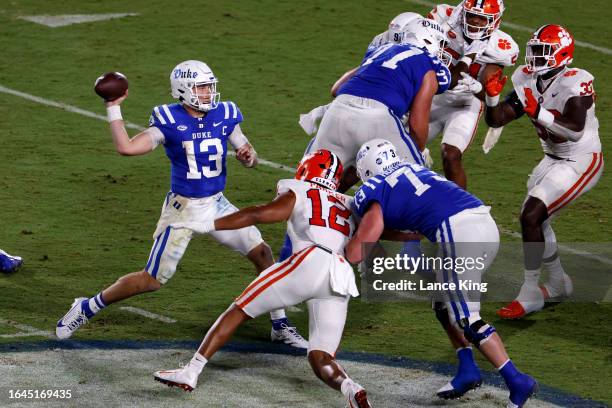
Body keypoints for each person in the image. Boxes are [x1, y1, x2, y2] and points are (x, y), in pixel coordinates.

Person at [56, 60, 307, 348]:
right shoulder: (168, 120)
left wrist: (248, 156)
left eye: (210, 86)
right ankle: (87, 306)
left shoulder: (225, 113)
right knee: (152, 280)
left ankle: (280, 324)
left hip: (217, 204)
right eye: (201, 87)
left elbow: (248, 152)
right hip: (183, 209)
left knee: (262, 254)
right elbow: (126, 148)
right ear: (184, 89)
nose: (209, 93)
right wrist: (113, 106)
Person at [154, 150, 372, 408]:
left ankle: (191, 371)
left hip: (308, 262)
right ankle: (350, 387)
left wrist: (209, 224)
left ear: (306, 169)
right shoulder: (350, 203)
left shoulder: (297, 189)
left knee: (238, 309)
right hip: (340, 277)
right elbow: (378, 233)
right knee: (321, 356)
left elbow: (259, 214)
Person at [346, 139, 538, 407]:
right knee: (441, 299)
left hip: (458, 233)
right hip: (483, 223)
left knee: (468, 319)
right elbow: (405, 228)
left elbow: (361, 247)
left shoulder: (374, 188)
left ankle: (517, 381)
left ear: (366, 170)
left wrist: (349, 243)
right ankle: (467, 368)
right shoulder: (413, 169)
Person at [483, 25, 603, 319]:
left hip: (581, 160)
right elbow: (497, 119)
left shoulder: (576, 82)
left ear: (561, 55)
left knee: (531, 215)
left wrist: (538, 112)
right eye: (534, 50)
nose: (534, 57)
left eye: (542, 51)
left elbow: (575, 131)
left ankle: (530, 291)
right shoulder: (526, 78)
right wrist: (492, 97)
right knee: (536, 220)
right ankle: (559, 283)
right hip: (551, 158)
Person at [308, 17, 452, 192]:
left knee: (308, 185)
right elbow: (417, 123)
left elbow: (336, 89)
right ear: (430, 41)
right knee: (414, 184)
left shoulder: (380, 51)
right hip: (378, 117)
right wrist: (418, 151)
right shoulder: (428, 65)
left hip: (338, 111)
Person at [424, 0, 519, 188]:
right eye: (472, 15)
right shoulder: (443, 17)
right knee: (398, 147)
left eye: (482, 18)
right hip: (431, 97)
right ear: (462, 13)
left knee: (451, 155)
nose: (475, 21)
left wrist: (478, 88)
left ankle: (463, 210)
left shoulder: (500, 47)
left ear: (495, 21)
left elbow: (488, 93)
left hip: (466, 103)